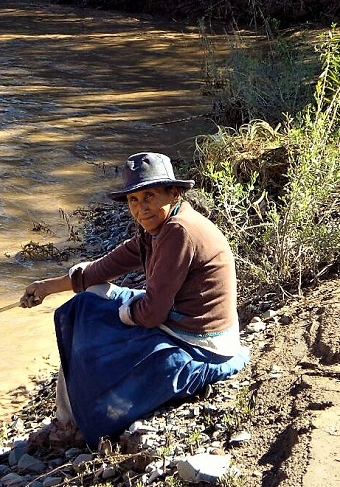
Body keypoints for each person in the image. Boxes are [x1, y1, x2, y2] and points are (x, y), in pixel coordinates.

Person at [20, 152, 249, 449]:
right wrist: (48, 286)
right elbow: (103, 268)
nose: (142, 208)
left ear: (174, 192)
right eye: (134, 200)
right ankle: (67, 416)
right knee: (89, 298)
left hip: (200, 343)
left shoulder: (179, 232)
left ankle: (71, 423)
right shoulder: (158, 229)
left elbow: (152, 314)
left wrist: (124, 314)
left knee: (92, 326)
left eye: (150, 195)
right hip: (178, 320)